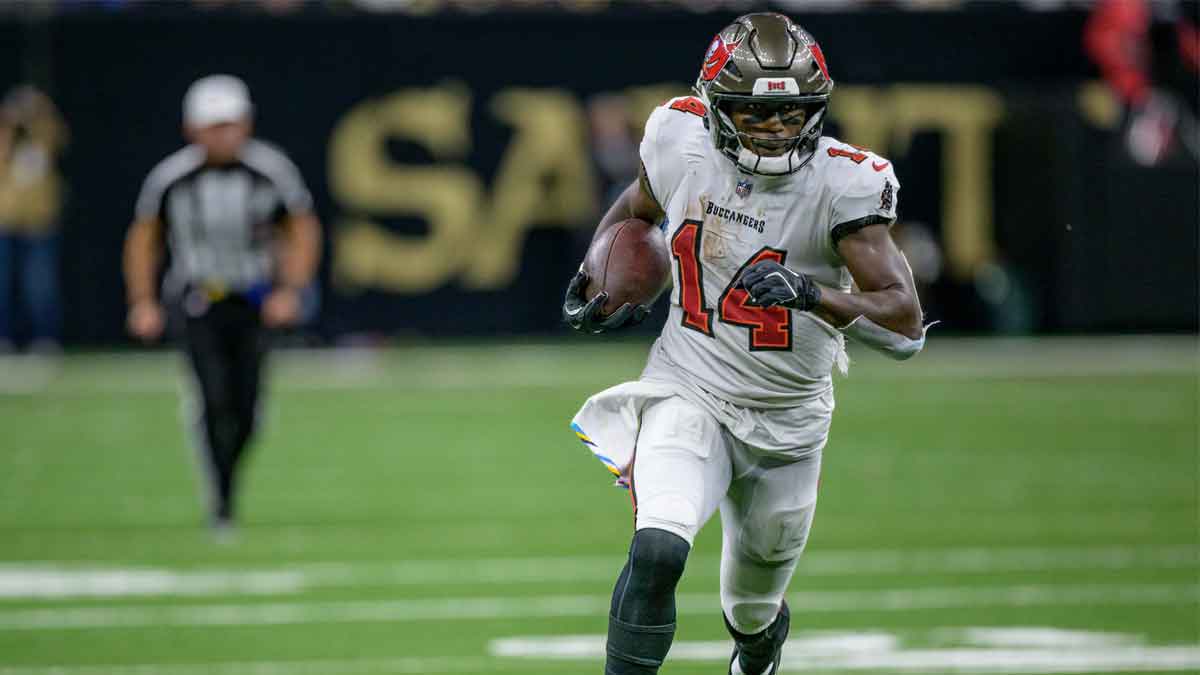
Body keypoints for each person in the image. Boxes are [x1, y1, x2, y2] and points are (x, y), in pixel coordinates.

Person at [563, 13, 926, 675]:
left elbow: (904, 325)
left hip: (787, 426)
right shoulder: (679, 138)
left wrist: (813, 294)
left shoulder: (842, 185)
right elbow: (637, 207)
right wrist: (602, 271)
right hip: (689, 388)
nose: (776, 131)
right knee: (658, 549)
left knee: (752, 613)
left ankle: (756, 650)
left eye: (791, 116)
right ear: (713, 107)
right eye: (754, 115)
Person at [123, 74, 321, 534]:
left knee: (247, 407)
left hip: (252, 298)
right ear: (193, 129)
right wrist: (143, 300)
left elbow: (301, 228)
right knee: (213, 397)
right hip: (196, 297)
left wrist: (291, 290)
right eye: (214, 126)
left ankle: (225, 479)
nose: (224, 135)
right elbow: (144, 240)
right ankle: (222, 499)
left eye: (230, 124)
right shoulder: (172, 178)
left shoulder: (270, 171)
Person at [0, 86, 67, 353]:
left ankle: (44, 339)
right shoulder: (5, 142)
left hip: (39, 225)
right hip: (5, 224)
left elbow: (58, 135)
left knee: (40, 287)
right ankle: (3, 338)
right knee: (3, 287)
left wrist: (38, 108)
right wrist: (8, 122)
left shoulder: (41, 142)